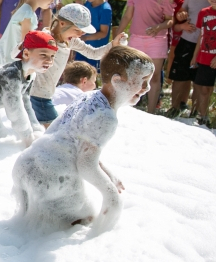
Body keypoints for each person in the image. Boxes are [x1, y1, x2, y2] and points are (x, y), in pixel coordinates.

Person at [12, 46, 153, 234]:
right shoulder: (106, 117)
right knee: (82, 221)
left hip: (26, 164)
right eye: (142, 81)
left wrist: (108, 173)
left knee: (29, 228)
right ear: (118, 81)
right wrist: (110, 194)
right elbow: (86, 164)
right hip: (51, 177)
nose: (147, 88)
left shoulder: (87, 97)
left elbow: (73, 141)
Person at [29, 4, 120, 125]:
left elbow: (93, 53)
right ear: (62, 23)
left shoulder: (70, 41)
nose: (80, 34)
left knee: (44, 128)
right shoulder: (45, 39)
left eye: (83, 32)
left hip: (46, 94)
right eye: (77, 30)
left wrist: (113, 44)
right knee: (54, 129)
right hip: (37, 94)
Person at [113, 0, 175, 113]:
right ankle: (128, 106)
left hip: (157, 40)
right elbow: (128, 15)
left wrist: (158, 27)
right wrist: (119, 33)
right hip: (137, 38)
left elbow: (170, 20)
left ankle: (151, 110)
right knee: (132, 73)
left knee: (154, 77)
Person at [169, 0, 213, 118]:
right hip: (186, 42)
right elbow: (181, 13)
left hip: (205, 48)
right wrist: (182, 16)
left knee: (198, 81)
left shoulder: (212, 2)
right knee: (180, 76)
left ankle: (196, 112)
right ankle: (174, 107)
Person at [0, 0, 58, 68]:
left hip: (3, 59)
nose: (53, 1)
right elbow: (26, 44)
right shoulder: (27, 14)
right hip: (4, 62)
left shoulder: (27, 11)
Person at [188, 0, 216, 127]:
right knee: (203, 88)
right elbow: (202, 35)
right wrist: (195, 55)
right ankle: (203, 116)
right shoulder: (204, 12)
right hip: (204, 57)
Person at [75, 0, 113, 68]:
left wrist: (87, 38)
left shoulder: (105, 10)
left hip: (96, 48)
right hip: (83, 46)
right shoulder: (88, 3)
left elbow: (103, 33)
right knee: (78, 69)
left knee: (92, 72)